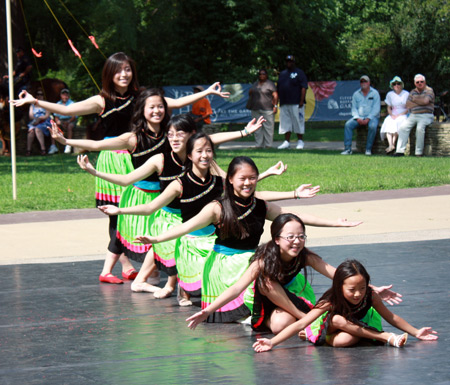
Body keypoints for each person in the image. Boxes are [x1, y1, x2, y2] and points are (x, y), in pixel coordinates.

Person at [136, 156, 363, 322]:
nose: (248, 183)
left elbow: (296, 218)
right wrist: (155, 238)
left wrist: (335, 222)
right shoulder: (217, 208)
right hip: (226, 266)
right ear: (231, 180)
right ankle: (294, 316)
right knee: (263, 277)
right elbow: (185, 227)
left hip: (252, 260)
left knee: (282, 274)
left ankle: (291, 313)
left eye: (253, 178)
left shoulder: (259, 205)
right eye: (243, 179)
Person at [79, 116, 267, 299]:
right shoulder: (162, 160)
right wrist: (95, 173)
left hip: (191, 220)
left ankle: (169, 282)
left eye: (179, 134)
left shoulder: (204, 159)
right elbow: (129, 181)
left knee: (192, 242)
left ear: (192, 136)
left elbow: (236, 181)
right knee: (171, 239)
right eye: (170, 134)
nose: (174, 138)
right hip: (167, 217)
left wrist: (249, 143)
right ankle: (167, 284)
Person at [186, 214, 402, 333]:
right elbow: (236, 288)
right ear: (277, 239)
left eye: (301, 236)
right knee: (266, 284)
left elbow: (336, 274)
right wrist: (208, 311)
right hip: (267, 299)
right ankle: (307, 320)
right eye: (290, 237)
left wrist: (372, 289)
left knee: (282, 325)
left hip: (292, 296)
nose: (297, 241)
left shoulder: (305, 256)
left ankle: (303, 321)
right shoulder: (263, 260)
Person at [253, 259, 438, 352]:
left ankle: (320, 338)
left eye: (362, 288)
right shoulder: (330, 301)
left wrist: (416, 332)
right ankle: (385, 337)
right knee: (340, 319)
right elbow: (300, 323)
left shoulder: (370, 295)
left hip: (353, 329)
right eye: (351, 289)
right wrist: (272, 341)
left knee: (346, 341)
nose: (358, 294)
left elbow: (391, 316)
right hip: (333, 324)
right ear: (339, 286)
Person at [394, 74, 435, 157]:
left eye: (421, 81)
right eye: (417, 82)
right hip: (413, 115)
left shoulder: (429, 90)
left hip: (426, 115)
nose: (420, 83)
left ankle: (418, 153)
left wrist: (415, 100)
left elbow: (425, 101)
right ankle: (400, 151)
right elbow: (408, 105)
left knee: (420, 128)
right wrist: (421, 102)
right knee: (403, 128)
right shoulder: (413, 91)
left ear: (425, 82)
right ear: (415, 83)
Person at [341, 75, 380, 156]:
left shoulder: (375, 93)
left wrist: (368, 118)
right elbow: (354, 108)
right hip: (359, 117)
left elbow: (376, 109)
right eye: (362, 81)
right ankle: (347, 149)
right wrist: (357, 118)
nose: (363, 83)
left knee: (372, 126)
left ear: (369, 82)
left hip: (372, 117)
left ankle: (368, 149)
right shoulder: (356, 94)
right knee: (348, 125)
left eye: (365, 81)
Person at [277, 55, 308, 150]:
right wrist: (278, 100)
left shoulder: (299, 73)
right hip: (284, 102)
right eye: (287, 61)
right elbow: (279, 88)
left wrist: (301, 101)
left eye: (290, 61)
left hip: (296, 102)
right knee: (285, 122)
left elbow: (303, 87)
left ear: (294, 62)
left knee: (298, 121)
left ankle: (300, 141)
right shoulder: (282, 74)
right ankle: (286, 142)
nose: (289, 63)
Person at [246, 69, 278, 148]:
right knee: (257, 128)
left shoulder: (270, 84)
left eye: (263, 74)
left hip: (268, 109)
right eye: (260, 74)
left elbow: (275, 95)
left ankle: (268, 145)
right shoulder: (256, 84)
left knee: (268, 128)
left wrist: (275, 106)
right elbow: (250, 92)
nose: (262, 75)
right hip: (255, 108)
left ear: (266, 75)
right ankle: (258, 145)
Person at [379, 76, 409, 154]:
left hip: (403, 113)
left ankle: (393, 144)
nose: (396, 85)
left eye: (398, 83)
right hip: (393, 113)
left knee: (398, 122)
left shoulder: (406, 94)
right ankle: (391, 145)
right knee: (388, 121)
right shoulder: (390, 94)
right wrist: (391, 114)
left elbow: (408, 108)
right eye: (394, 84)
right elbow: (389, 107)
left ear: (401, 84)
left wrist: (400, 114)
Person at [51, 88, 77, 154]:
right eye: (63, 95)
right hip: (61, 120)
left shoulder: (72, 103)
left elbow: (74, 116)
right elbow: (56, 116)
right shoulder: (58, 103)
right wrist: (58, 122)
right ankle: (53, 146)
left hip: (70, 120)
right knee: (53, 127)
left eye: (66, 95)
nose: (65, 96)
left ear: (68, 96)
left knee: (70, 127)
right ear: (61, 96)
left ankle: (68, 145)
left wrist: (68, 122)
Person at [26, 89, 51, 156]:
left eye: (41, 94)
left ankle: (43, 149)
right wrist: (36, 120)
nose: (39, 96)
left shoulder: (46, 104)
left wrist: (39, 119)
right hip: (34, 122)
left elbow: (47, 115)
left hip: (44, 122)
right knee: (31, 131)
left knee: (38, 129)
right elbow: (31, 116)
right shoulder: (32, 105)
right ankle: (28, 150)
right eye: (38, 94)